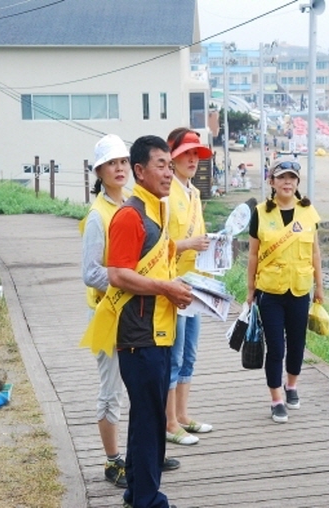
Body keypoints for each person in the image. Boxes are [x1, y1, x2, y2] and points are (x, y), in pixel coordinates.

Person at [82, 135, 192, 508]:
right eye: (160, 165)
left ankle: (136, 490)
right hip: (138, 333)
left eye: (169, 164)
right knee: (148, 419)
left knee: (147, 415)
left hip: (158, 329)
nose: (168, 171)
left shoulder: (155, 209)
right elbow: (117, 275)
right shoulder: (130, 215)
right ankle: (148, 498)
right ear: (140, 171)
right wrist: (165, 288)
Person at [246, 156, 324, 423]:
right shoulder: (260, 212)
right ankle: (276, 398)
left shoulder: (309, 213)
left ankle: (292, 385)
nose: (287, 182)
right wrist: (249, 290)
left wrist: (320, 289)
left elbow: (315, 253)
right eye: (282, 178)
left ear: (297, 182)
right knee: (276, 347)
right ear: (272, 182)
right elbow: (253, 255)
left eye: (292, 177)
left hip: (300, 289)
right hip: (270, 291)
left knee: (297, 344)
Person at [80, 134, 130, 488]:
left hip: (134, 313)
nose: (119, 168)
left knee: (139, 387)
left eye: (123, 161)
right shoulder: (98, 215)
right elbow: (90, 272)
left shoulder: (129, 204)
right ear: (99, 171)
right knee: (111, 390)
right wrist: (125, 280)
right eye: (111, 163)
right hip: (107, 313)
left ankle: (142, 453)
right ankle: (113, 462)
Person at [164, 128, 213, 447]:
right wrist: (187, 244)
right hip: (174, 284)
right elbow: (157, 244)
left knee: (190, 355)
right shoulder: (167, 195)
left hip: (196, 284)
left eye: (197, 154)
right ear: (173, 157)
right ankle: (169, 421)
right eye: (187, 154)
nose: (193, 159)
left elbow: (202, 238)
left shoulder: (194, 193)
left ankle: (182, 415)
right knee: (175, 356)